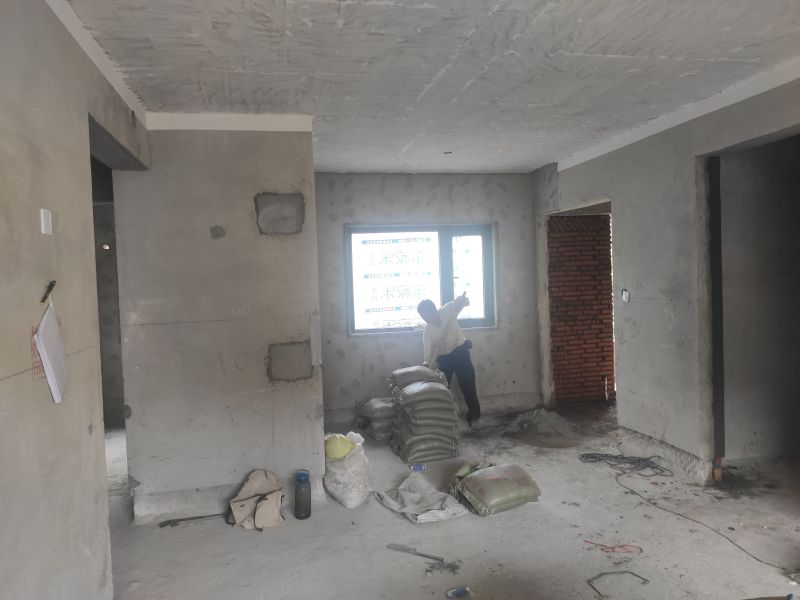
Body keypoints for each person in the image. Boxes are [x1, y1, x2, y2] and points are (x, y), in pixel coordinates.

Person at [417, 292, 481, 430]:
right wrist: (426, 365)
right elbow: (428, 352)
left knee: (468, 383)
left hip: (460, 351)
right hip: (444, 358)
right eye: (422, 317)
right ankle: (445, 420)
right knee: (442, 388)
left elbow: (459, 303)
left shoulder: (447, 310)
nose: (425, 319)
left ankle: (474, 416)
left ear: (434, 310)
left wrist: (462, 301)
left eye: (426, 315)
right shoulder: (428, 331)